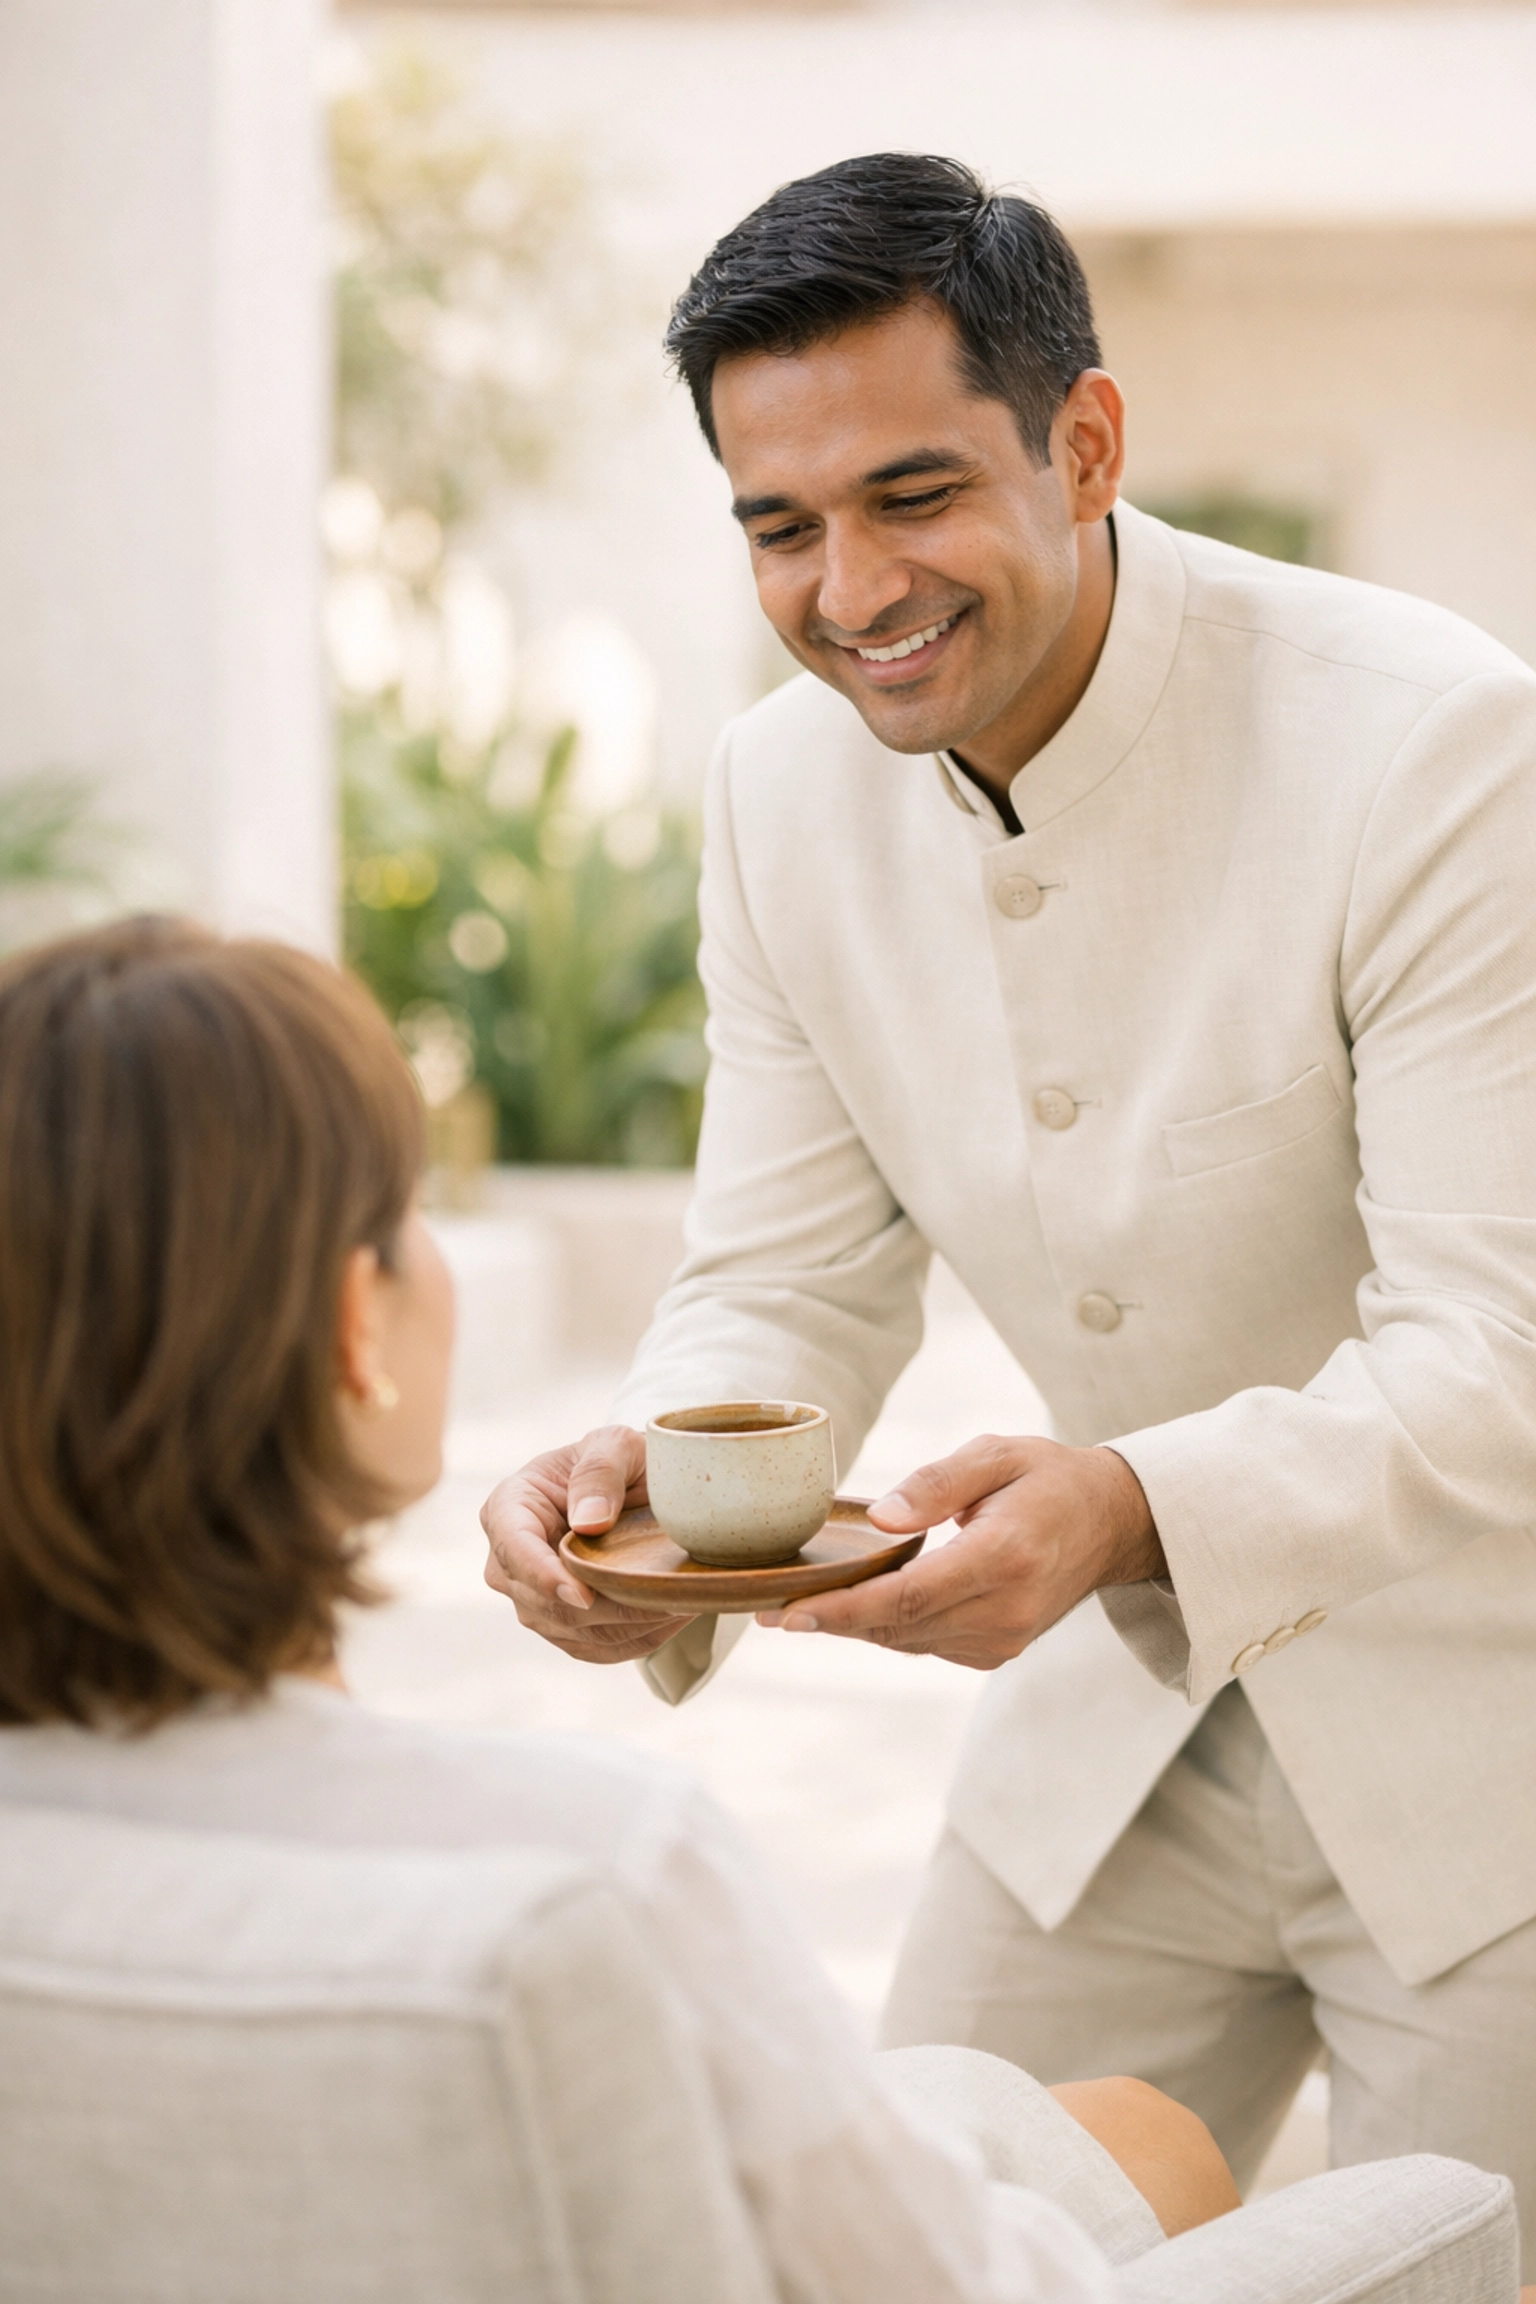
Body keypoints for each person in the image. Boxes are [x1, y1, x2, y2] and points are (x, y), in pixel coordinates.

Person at [480, 153, 1536, 2265]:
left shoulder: (1437, 749)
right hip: (1107, 1752)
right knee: (888, 2264)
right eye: (781, 525)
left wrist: (1124, 1506)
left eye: (912, 494)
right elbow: (780, 1273)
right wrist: (650, 1494)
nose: (851, 587)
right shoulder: (775, 798)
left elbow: (1497, 1358)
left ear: (1088, 443)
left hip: (1490, 1763)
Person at [0, 915, 1250, 2304]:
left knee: (1112, 2131)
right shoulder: (595, 1871)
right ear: (359, 1326)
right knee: (1184, 2168)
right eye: (411, 1211)